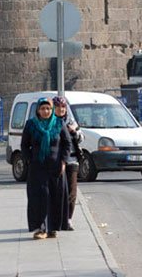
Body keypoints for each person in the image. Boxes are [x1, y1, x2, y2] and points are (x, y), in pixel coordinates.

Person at [21, 97, 71, 239]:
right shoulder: (31, 125)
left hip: (55, 168)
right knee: (39, 197)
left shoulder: (59, 123)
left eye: (48, 108)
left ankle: (53, 228)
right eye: (42, 108)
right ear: (38, 110)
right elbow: (24, 145)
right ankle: (40, 228)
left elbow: (67, 144)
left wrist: (63, 162)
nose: (45, 111)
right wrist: (30, 160)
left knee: (55, 196)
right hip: (37, 168)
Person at [52, 96, 84, 231]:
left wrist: (74, 131)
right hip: (55, 161)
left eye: (63, 107)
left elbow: (81, 138)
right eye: (58, 107)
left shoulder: (71, 122)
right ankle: (55, 218)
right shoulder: (50, 123)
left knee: (72, 191)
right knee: (57, 191)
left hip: (71, 160)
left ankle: (68, 219)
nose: (61, 109)